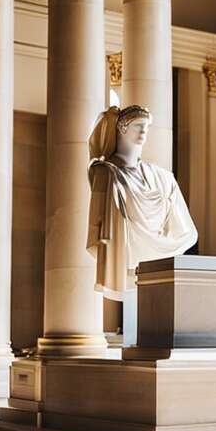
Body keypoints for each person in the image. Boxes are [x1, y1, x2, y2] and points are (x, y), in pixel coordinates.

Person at [86, 105, 198, 298]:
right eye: (138, 125)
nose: (144, 130)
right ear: (122, 128)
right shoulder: (105, 172)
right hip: (127, 256)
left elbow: (186, 232)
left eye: (146, 125)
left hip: (160, 257)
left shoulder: (163, 178)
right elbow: (98, 225)